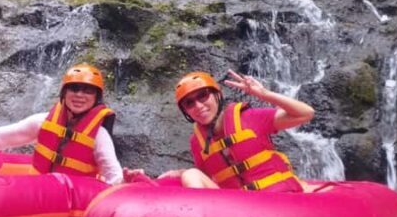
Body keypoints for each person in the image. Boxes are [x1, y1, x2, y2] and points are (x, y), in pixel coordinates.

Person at [126, 69, 314, 191]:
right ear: (186, 112)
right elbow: (209, 179)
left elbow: (305, 113)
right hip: (238, 209)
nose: (198, 105)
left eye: (203, 96)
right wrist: (179, 173)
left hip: (275, 199)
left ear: (217, 96)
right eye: (189, 103)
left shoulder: (249, 117)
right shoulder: (197, 142)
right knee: (191, 174)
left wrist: (263, 94)